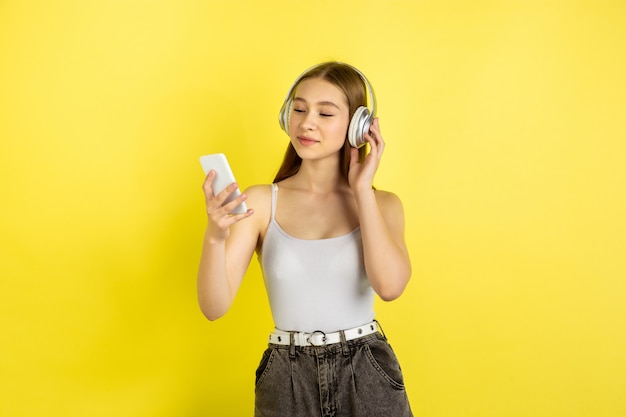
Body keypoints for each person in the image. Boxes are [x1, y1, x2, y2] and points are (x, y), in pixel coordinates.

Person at [197, 61, 413, 417]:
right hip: (287, 375)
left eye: (325, 113)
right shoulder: (261, 202)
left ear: (357, 126)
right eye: (298, 109)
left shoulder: (384, 205)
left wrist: (361, 190)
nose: (306, 122)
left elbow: (389, 287)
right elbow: (213, 307)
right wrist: (215, 236)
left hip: (367, 369)